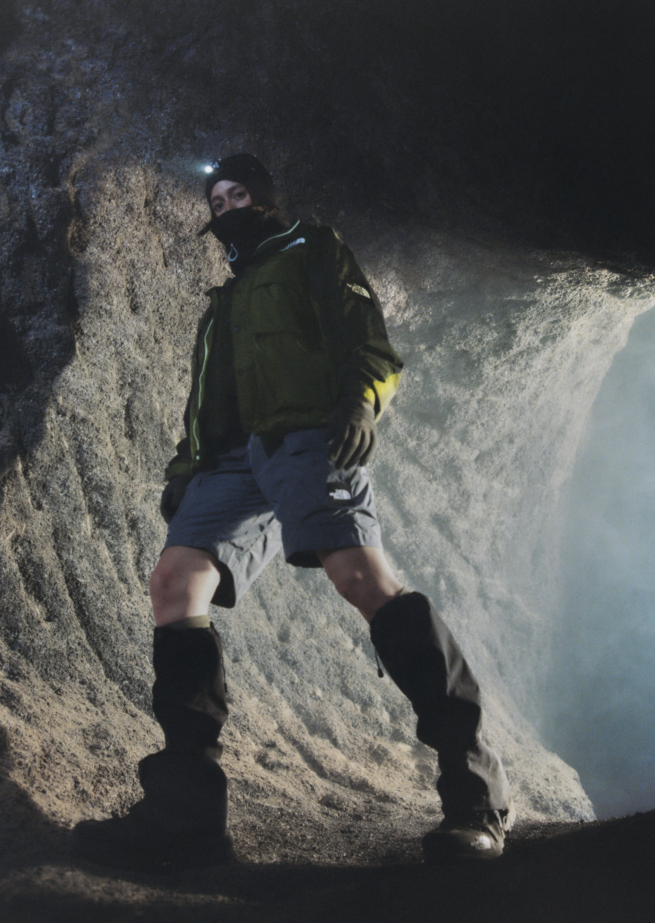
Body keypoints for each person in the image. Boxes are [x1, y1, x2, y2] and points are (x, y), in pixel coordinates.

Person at [72, 154, 512, 871]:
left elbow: (367, 338)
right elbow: (204, 402)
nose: (226, 208)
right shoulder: (223, 303)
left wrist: (361, 401)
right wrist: (186, 470)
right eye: (216, 202)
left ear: (267, 200)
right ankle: (186, 819)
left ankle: (477, 798)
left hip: (309, 436)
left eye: (237, 194)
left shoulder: (313, 249)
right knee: (175, 584)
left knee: (362, 580)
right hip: (232, 460)